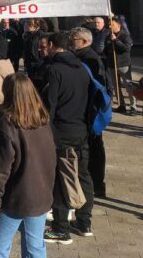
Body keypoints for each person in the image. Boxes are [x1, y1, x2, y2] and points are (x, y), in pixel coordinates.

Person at [0, 73, 56, 258]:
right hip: (41, 196)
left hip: (12, 199)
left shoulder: (7, 126)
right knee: (35, 247)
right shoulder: (43, 121)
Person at [42, 31, 94, 244]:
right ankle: (84, 223)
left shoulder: (55, 70)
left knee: (60, 178)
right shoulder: (82, 68)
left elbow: (50, 106)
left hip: (61, 133)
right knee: (83, 176)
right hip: (81, 129)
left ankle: (60, 228)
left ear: (53, 45)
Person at [69, 27, 108, 198]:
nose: (71, 42)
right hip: (87, 111)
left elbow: (97, 87)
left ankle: (97, 184)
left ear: (85, 41)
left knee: (94, 149)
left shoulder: (90, 59)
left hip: (90, 113)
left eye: (74, 39)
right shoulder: (82, 56)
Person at [103, 15, 135, 115]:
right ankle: (122, 105)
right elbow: (106, 48)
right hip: (112, 64)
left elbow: (126, 49)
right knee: (116, 86)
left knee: (128, 86)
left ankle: (133, 106)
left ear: (119, 26)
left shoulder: (125, 36)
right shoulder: (108, 36)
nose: (110, 27)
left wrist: (116, 40)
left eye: (112, 25)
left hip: (123, 65)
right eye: (109, 25)